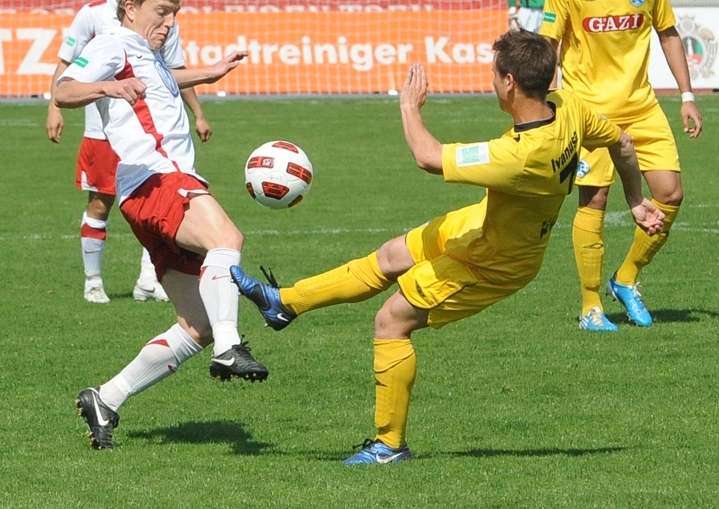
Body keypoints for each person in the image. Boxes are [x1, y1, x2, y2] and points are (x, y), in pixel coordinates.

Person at [231, 30, 664, 464]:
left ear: (510, 81)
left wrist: (407, 106)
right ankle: (284, 303)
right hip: (482, 224)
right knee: (389, 256)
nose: (491, 81)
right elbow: (622, 143)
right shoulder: (569, 107)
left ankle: (389, 446)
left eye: (494, 74)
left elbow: (428, 156)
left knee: (391, 323)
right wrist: (636, 200)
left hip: (496, 262)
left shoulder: (522, 154)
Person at [56, 0, 269, 450]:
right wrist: (106, 88)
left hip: (145, 191)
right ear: (130, 8)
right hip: (157, 178)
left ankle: (105, 397)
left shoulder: (145, 53)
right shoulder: (112, 43)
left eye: (173, 12)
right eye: (161, 12)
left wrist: (211, 72)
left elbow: (161, 77)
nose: (169, 21)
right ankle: (231, 347)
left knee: (196, 324)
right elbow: (64, 91)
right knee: (227, 240)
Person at [540, 0, 703, 332]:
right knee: (594, 200)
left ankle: (626, 278)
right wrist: (547, 106)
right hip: (587, 112)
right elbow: (548, 47)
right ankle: (591, 306)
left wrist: (686, 96)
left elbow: (668, 33)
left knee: (670, 195)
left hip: (642, 106)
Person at [46, 0, 212, 305]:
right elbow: (66, 66)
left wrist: (198, 110)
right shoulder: (94, 15)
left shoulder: (163, 18)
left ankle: (148, 280)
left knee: (158, 204)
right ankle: (93, 280)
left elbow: (169, 73)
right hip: (103, 131)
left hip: (151, 132)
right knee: (101, 204)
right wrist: (54, 107)